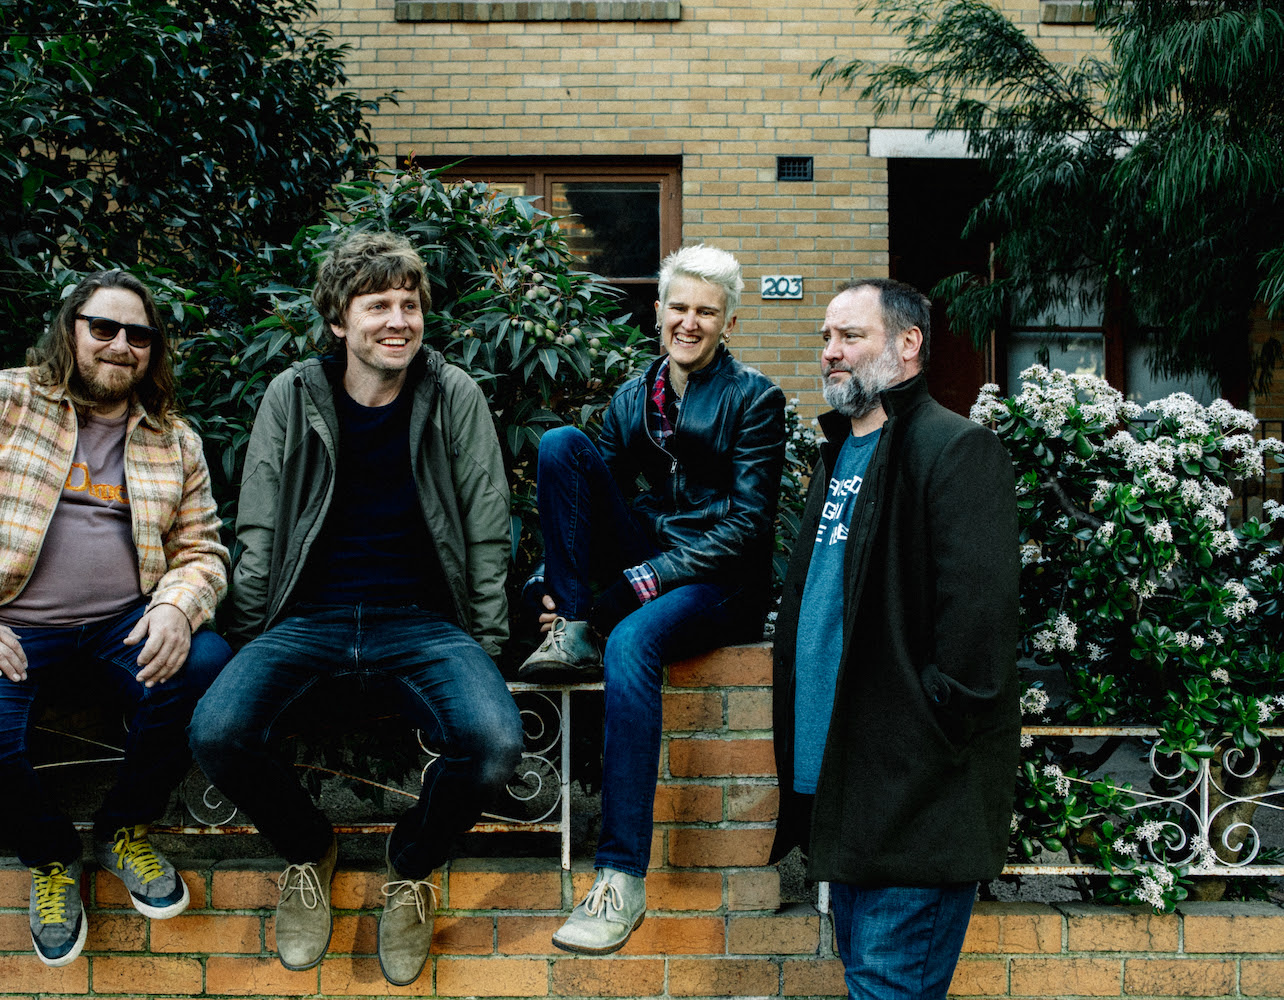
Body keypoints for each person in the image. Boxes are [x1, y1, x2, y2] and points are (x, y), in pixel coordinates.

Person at [0, 270, 232, 968]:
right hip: (6, 630)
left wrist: (178, 606)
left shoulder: (173, 438)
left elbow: (201, 549)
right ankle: (52, 854)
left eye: (139, 335)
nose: (121, 345)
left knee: (209, 669)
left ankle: (125, 829)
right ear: (70, 331)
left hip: (123, 627)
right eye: (104, 328)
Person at [189, 231, 524, 986]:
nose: (398, 320)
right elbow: (258, 526)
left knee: (495, 744)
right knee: (217, 729)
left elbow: (486, 524)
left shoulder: (453, 395)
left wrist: (485, 643)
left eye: (410, 304)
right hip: (308, 619)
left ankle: (410, 865)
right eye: (378, 306)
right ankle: (309, 851)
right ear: (339, 321)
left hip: (423, 622)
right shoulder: (293, 395)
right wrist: (250, 640)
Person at [517, 244, 787, 954]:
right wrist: (557, 585)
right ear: (658, 311)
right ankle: (569, 626)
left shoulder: (755, 399)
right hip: (654, 558)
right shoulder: (634, 398)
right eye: (679, 307)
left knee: (633, 640)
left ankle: (619, 880)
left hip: (721, 580)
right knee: (562, 446)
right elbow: (584, 507)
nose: (689, 323)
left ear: (728, 322)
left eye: (707, 312)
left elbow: (748, 526)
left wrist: (639, 583)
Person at [770, 278, 1020, 999]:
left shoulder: (957, 449)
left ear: (909, 344)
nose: (831, 351)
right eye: (826, 337)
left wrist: (925, 732)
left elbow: (979, 632)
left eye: (851, 336)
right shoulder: (836, 455)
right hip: (845, 793)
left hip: (915, 797)